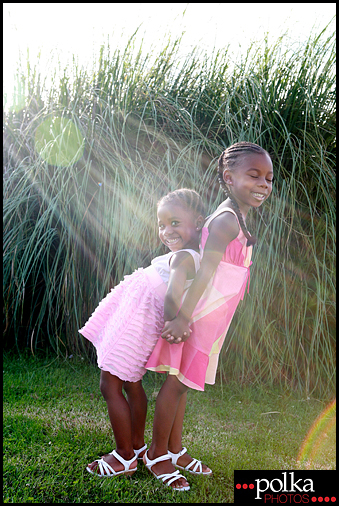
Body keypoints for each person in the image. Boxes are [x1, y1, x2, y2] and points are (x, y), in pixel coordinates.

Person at [144, 141, 273, 489]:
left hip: (217, 312)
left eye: (268, 178)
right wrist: (183, 318)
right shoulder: (226, 221)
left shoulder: (239, 214)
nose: (263, 184)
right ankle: (157, 454)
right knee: (177, 382)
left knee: (184, 384)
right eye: (254, 175)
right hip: (202, 310)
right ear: (229, 178)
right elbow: (205, 274)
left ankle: (175, 448)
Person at [78, 189, 205, 489]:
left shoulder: (185, 258)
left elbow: (174, 293)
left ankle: (124, 456)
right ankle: (134, 449)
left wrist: (176, 319)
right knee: (131, 383)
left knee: (110, 384)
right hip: (137, 318)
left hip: (135, 322)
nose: (166, 231)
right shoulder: (189, 254)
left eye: (175, 222)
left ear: (198, 222)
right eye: (162, 225)